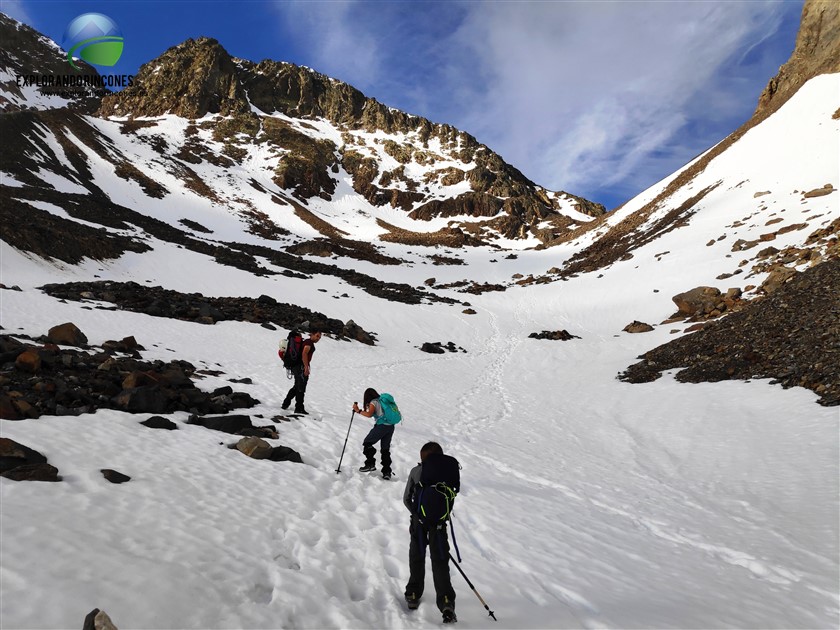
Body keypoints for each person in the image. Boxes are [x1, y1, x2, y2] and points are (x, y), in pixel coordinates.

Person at [403, 441, 459, 624]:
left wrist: (417, 514)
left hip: (419, 522)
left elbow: (406, 498)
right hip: (440, 524)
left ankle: (413, 594)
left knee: (417, 555)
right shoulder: (449, 471)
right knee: (440, 560)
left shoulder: (416, 472)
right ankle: (446, 602)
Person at [352, 388, 394, 479]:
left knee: (367, 442)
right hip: (390, 426)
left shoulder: (374, 402)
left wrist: (357, 410)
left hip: (381, 426)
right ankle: (387, 472)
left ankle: (370, 464)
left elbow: (369, 414)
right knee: (385, 449)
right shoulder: (382, 401)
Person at [281, 328, 322, 414]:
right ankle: (299, 408)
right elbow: (304, 353)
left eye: (319, 337)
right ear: (312, 334)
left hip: (297, 366)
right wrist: (306, 367)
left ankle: (286, 403)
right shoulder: (308, 342)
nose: (318, 338)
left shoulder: (306, 342)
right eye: (317, 336)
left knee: (297, 386)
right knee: (301, 388)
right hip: (301, 367)